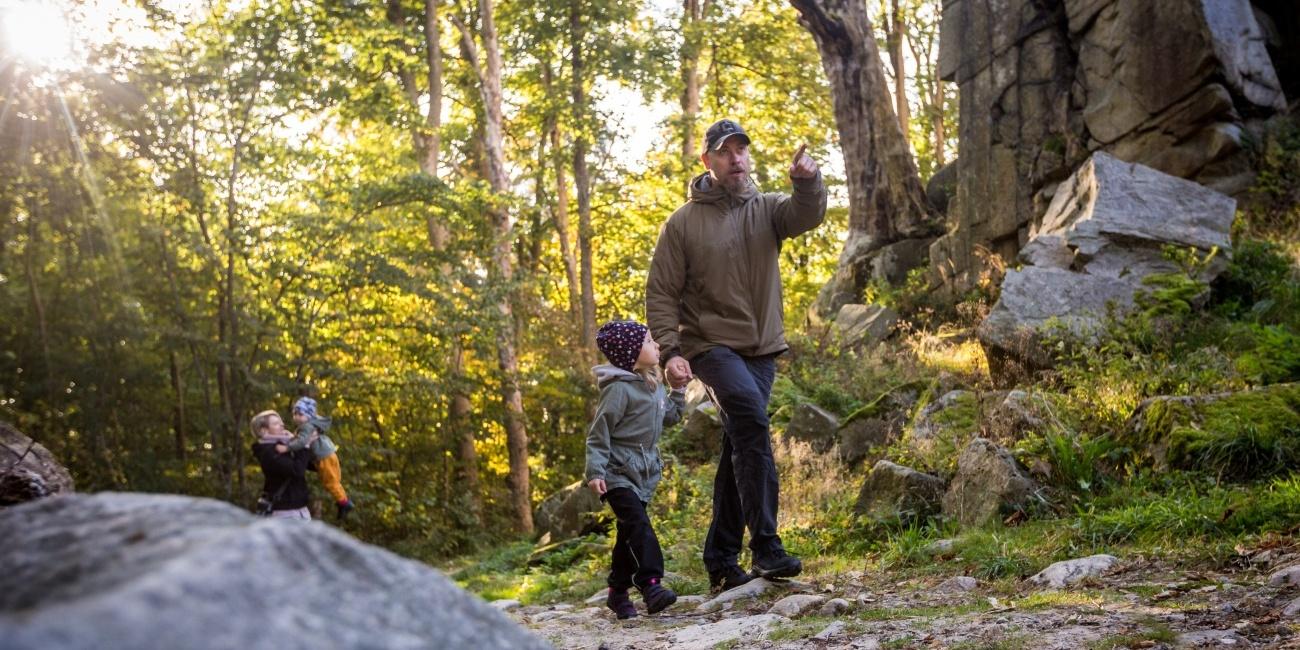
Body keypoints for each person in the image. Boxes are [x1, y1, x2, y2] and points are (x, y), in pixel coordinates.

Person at [645, 118, 826, 593]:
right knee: (750, 418)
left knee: (739, 441)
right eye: (725, 152)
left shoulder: (767, 209)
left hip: (761, 348)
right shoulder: (682, 223)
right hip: (710, 345)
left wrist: (807, 182)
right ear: (707, 161)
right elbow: (661, 293)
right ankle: (767, 546)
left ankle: (721, 560)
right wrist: (669, 351)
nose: (736, 158)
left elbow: (807, 216)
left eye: (742, 150)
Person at [585, 320, 687, 619]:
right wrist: (595, 472)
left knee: (628, 534)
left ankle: (617, 593)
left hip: (643, 473)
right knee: (639, 526)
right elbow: (598, 432)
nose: (656, 346)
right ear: (631, 352)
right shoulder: (618, 391)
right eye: (649, 341)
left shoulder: (651, 385)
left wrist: (678, 390)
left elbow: (669, 417)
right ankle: (651, 584)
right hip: (617, 473)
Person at [288, 395, 355, 521]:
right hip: (329, 454)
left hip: (324, 457)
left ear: (308, 415)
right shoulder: (312, 423)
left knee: (330, 482)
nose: (296, 417)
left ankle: (344, 503)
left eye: (300, 414)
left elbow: (301, 443)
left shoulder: (307, 426)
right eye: (295, 414)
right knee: (334, 481)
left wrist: (287, 446)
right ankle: (343, 500)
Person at [250, 410, 313, 520]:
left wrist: (296, 442)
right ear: (263, 430)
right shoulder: (268, 452)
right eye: (275, 423)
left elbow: (313, 466)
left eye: (281, 422)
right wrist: (305, 446)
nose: (282, 425)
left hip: (301, 511)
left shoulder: (286, 445)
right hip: (284, 514)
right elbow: (297, 470)